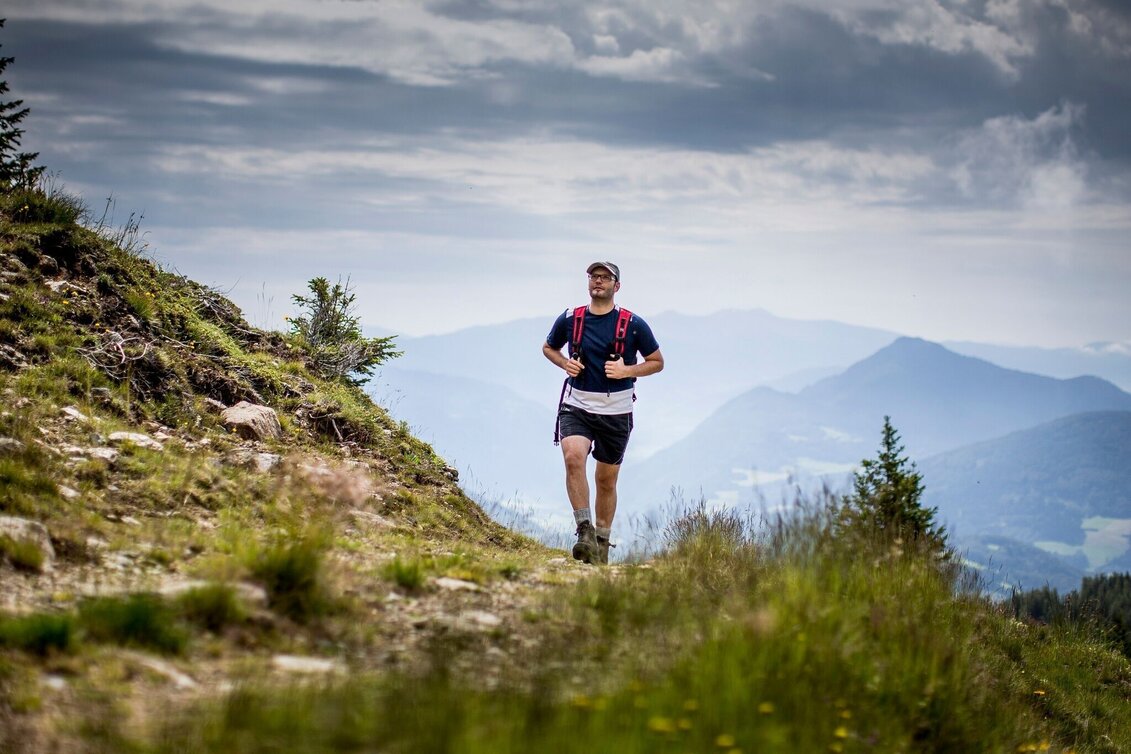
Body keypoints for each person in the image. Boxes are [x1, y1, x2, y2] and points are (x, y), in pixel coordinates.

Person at [542, 262, 664, 564]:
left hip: (617, 411)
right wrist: (564, 363)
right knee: (573, 458)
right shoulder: (570, 319)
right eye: (594, 276)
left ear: (616, 286)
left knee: (606, 480)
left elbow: (657, 361)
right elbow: (548, 347)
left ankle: (601, 545)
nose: (598, 281)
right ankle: (584, 531)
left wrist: (627, 370)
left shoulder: (633, 324)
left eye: (605, 277)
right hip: (577, 404)